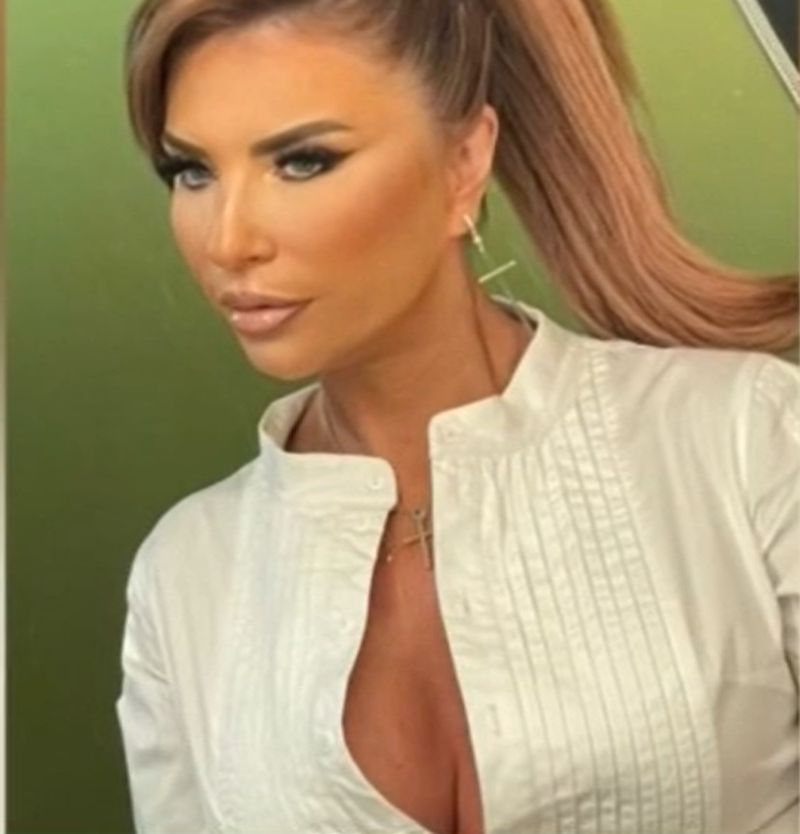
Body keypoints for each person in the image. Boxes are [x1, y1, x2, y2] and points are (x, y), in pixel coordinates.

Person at [115, 1, 799, 833]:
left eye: (301, 161)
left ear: (464, 161)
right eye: (191, 172)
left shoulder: (748, 439)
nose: (228, 241)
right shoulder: (186, 574)